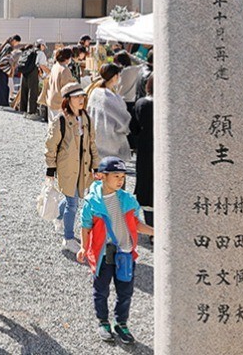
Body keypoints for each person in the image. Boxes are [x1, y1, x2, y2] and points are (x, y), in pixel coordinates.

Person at [77, 156, 155, 345]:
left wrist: (155, 231)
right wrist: (83, 247)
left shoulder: (128, 200)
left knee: (125, 291)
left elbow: (135, 224)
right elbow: (85, 226)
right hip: (103, 254)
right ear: (102, 176)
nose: (121, 180)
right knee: (101, 290)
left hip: (125, 253)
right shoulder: (92, 202)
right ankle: (103, 322)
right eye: (116, 176)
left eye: (122, 176)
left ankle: (121, 323)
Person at [44, 82, 99, 254]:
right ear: (68, 100)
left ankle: (59, 217)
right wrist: (50, 169)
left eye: (82, 96)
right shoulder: (60, 120)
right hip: (67, 168)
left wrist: (96, 166)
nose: (81, 99)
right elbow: (51, 146)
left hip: (83, 167)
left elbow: (92, 144)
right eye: (76, 97)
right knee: (73, 203)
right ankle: (68, 238)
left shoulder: (87, 118)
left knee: (72, 198)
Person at [87, 63, 132, 162]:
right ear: (115, 76)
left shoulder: (95, 92)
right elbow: (124, 123)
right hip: (111, 145)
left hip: (96, 143)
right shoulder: (112, 98)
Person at [129, 74, 154, 227]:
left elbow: (133, 128)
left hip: (145, 150)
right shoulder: (169, 104)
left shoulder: (141, 104)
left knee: (146, 185)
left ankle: (151, 227)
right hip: (165, 152)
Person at [0, 35, 20, 107]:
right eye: (17, 43)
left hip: (1, 66)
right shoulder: (9, 47)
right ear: (14, 41)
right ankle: (3, 102)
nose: (17, 44)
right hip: (4, 67)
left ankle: (0, 101)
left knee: (1, 85)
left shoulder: (6, 45)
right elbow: (7, 58)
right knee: (4, 85)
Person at [16, 43, 43, 116]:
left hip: (24, 72)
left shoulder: (25, 52)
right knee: (33, 91)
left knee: (24, 90)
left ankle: (22, 109)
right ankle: (31, 111)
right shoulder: (37, 52)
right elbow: (40, 64)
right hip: (32, 72)